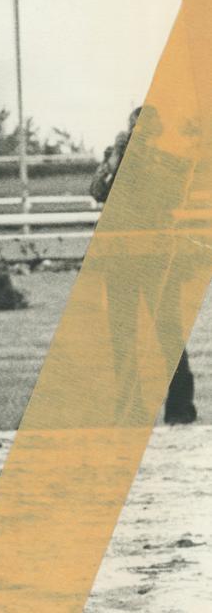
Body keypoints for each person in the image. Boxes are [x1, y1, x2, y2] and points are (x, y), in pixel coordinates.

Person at [90, 106, 197, 425]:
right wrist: (116, 160)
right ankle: (130, 408)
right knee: (124, 333)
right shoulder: (116, 156)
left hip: (156, 256)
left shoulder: (167, 159)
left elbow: (173, 193)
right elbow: (97, 192)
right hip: (122, 255)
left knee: (167, 331)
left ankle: (179, 408)